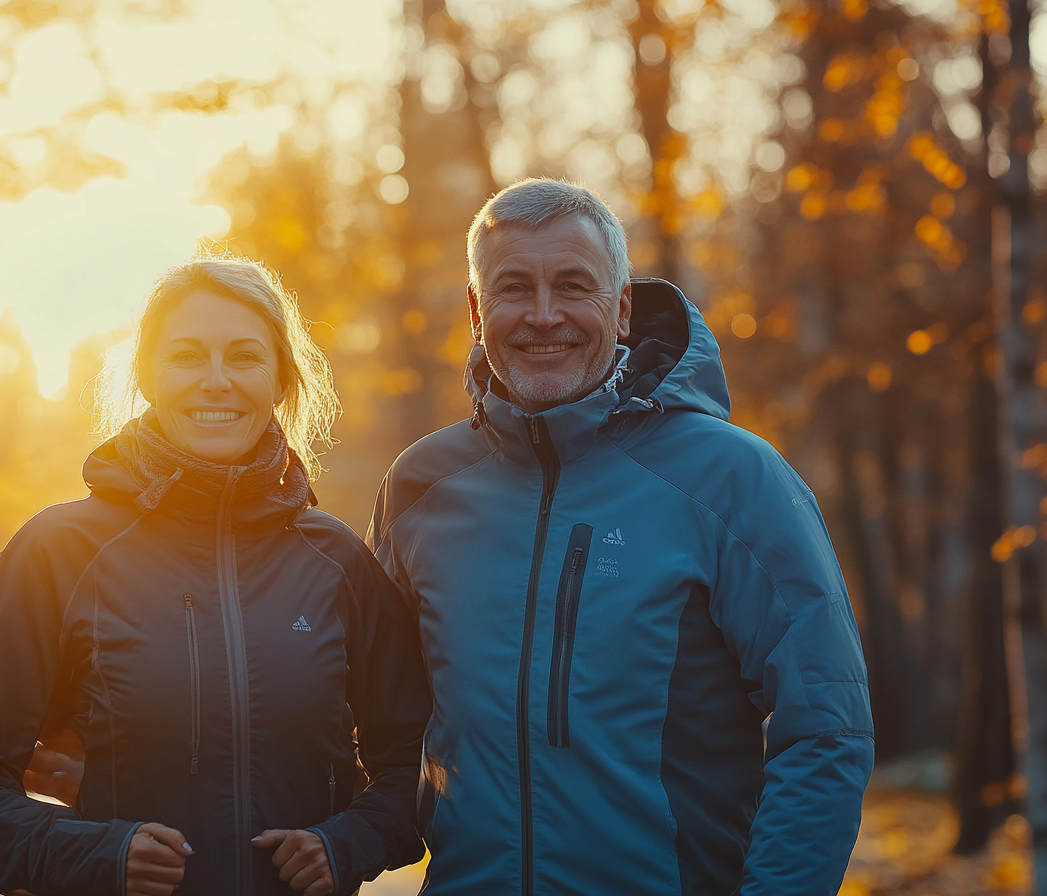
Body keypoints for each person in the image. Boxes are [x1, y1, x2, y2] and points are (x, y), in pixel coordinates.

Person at [367, 178, 874, 895]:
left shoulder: (735, 480)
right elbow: (374, 723)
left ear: (623, 306)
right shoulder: (419, 487)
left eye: (574, 285)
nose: (545, 316)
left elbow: (826, 728)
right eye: (514, 289)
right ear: (478, 311)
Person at [0, 256, 430, 896]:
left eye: (243, 357)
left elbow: (420, 761)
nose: (216, 381)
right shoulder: (60, 551)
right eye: (186, 356)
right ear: (149, 375)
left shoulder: (337, 560)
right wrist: (94, 855)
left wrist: (349, 844)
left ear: (280, 381)